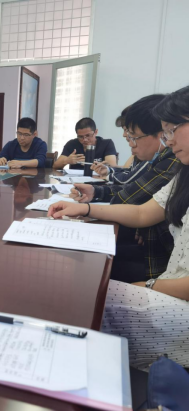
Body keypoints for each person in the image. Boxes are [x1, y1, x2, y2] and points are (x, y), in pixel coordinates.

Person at [47, 85, 189, 370]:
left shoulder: (173, 163)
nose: (169, 141)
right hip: (168, 282)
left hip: (176, 297)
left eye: (172, 130)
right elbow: (142, 212)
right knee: (76, 291)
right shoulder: (185, 173)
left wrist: (149, 286)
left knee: (82, 299)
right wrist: (85, 208)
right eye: (165, 133)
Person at [70, 94, 180, 281]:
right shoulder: (166, 159)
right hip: (154, 249)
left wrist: (87, 208)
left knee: (89, 269)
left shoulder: (172, 160)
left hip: (159, 262)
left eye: (132, 136)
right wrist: (97, 192)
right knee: (87, 259)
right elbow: (141, 206)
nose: (170, 141)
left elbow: (128, 199)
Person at [52, 117, 117, 170]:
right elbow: (55, 166)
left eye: (88, 135)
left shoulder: (106, 143)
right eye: (80, 137)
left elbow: (112, 166)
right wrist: (66, 160)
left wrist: (89, 162)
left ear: (96, 132)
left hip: (99, 178)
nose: (85, 140)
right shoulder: (72, 144)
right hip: (75, 179)